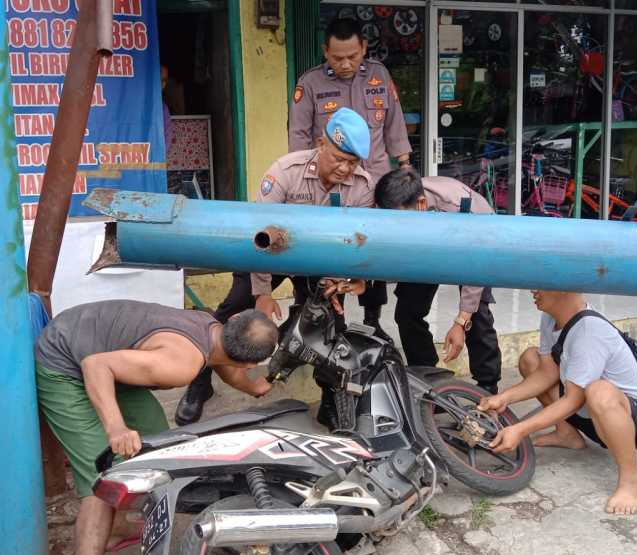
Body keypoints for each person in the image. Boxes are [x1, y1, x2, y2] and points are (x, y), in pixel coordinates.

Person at [175, 108, 375, 429]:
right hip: (271, 254)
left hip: (320, 262)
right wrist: (262, 293)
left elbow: (355, 241)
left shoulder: (362, 187)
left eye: (352, 163)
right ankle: (200, 382)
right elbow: (259, 236)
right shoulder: (286, 171)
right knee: (231, 310)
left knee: (331, 325)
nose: (345, 169)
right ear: (321, 143)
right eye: (339, 158)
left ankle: (329, 400)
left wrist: (340, 279)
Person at [35, 300, 277, 555]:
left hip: (102, 350)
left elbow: (228, 369)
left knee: (160, 446)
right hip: (64, 362)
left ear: (235, 318)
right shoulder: (180, 364)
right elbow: (95, 366)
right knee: (102, 477)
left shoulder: (213, 330)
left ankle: (115, 528)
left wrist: (254, 389)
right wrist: (116, 428)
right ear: (250, 364)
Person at [478, 290, 637, 515]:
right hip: (588, 413)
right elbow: (547, 372)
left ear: (564, 287)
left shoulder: (589, 331)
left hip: (631, 422)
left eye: (540, 285)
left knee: (598, 391)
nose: (532, 290)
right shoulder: (551, 317)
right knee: (530, 359)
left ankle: (631, 481)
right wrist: (503, 397)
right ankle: (567, 434)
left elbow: (573, 400)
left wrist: (520, 429)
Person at [289, 17, 414, 341]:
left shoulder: (379, 75)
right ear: (325, 52)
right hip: (335, 187)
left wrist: (404, 164)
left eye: (353, 56)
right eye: (337, 57)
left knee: (374, 251)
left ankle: (373, 318)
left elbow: (394, 123)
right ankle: (331, 320)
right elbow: (299, 138)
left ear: (364, 49)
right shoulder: (310, 83)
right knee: (336, 249)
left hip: (376, 184)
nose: (345, 64)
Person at [374, 170, 502, 393]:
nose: (393, 226)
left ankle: (487, 387)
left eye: (398, 219)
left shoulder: (460, 210)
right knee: (407, 312)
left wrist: (461, 321)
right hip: (430, 244)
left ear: (421, 204)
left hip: (476, 244)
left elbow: (477, 265)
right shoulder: (402, 204)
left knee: (477, 316)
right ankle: (427, 380)